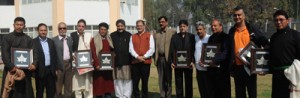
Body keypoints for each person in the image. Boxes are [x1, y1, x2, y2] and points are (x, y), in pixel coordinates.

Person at [227, 6, 269, 98]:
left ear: (244, 16)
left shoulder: (252, 28)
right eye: (235, 15)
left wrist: (262, 64)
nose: (237, 17)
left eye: (239, 15)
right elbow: (229, 49)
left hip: (250, 67)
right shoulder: (231, 31)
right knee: (239, 94)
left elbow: (265, 43)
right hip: (237, 68)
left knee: (252, 94)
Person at [0, 17, 34, 98]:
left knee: (25, 94)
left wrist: (34, 64)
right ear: (13, 25)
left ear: (24, 26)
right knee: (10, 93)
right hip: (11, 71)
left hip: (25, 72)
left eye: (21, 25)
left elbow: (34, 53)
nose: (19, 26)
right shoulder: (7, 38)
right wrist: (12, 67)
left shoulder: (28, 39)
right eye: (17, 24)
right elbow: (5, 54)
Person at [269, 10, 300, 98]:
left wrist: (293, 70)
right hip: (276, 76)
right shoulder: (273, 37)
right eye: (276, 20)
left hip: (291, 75)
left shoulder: (296, 35)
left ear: (288, 20)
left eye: (281, 19)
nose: (278, 22)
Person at [169, 20, 195, 98]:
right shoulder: (174, 37)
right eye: (181, 26)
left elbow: (194, 50)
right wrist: (172, 62)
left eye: (184, 26)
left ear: (187, 27)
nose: (182, 28)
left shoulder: (191, 37)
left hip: (188, 64)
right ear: (179, 27)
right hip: (178, 64)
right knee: (178, 83)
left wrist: (193, 61)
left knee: (189, 83)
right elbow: (171, 50)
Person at [129, 20, 155, 98]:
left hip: (145, 62)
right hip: (135, 63)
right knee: (135, 82)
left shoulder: (149, 35)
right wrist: (137, 57)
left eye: (141, 25)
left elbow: (152, 49)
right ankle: (136, 96)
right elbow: (131, 49)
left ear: (144, 26)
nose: (139, 27)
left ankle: (144, 96)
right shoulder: (132, 36)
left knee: (145, 82)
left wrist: (144, 56)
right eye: (138, 25)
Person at [206, 19, 231, 98]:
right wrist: (204, 60)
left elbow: (226, 53)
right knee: (213, 92)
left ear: (221, 26)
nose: (213, 27)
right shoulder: (210, 38)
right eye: (212, 26)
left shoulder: (226, 37)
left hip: (222, 70)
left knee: (224, 92)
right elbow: (208, 52)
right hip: (212, 70)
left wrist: (215, 60)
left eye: (215, 26)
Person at [32, 23, 57, 98]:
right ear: (38, 31)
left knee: (50, 92)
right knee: (39, 92)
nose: (43, 32)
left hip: (50, 71)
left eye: (45, 30)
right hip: (40, 71)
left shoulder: (51, 41)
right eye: (41, 30)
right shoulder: (33, 42)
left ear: (47, 31)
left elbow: (54, 56)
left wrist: (55, 69)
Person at [90, 22, 114, 98]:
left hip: (107, 67)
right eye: (101, 29)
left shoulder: (109, 39)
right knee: (99, 86)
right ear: (99, 30)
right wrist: (96, 64)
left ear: (107, 30)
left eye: (104, 29)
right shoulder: (94, 40)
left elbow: (112, 51)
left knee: (107, 86)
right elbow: (93, 52)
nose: (103, 31)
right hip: (98, 68)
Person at [70, 19, 93, 98]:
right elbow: (71, 48)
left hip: (87, 63)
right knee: (77, 83)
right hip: (77, 62)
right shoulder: (72, 35)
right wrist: (74, 56)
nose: (81, 28)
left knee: (87, 83)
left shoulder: (88, 35)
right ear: (77, 26)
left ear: (85, 27)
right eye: (79, 26)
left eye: (82, 26)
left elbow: (91, 48)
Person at [110, 19, 133, 98]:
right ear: (116, 26)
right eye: (118, 26)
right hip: (116, 62)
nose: (120, 28)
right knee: (118, 80)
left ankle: (126, 96)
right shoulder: (112, 35)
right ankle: (119, 95)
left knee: (127, 80)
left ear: (124, 26)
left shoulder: (129, 35)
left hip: (127, 61)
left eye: (121, 26)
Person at [154, 16, 175, 98]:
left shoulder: (172, 32)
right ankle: (162, 95)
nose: (161, 23)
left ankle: (168, 95)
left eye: (163, 21)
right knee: (161, 79)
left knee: (168, 79)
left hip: (168, 59)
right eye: (160, 22)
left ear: (167, 22)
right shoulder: (157, 33)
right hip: (159, 58)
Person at [53, 22, 74, 98]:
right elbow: (53, 55)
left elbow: (71, 51)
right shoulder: (54, 40)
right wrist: (54, 68)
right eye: (60, 28)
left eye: (64, 28)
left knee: (68, 85)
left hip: (68, 64)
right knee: (58, 86)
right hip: (59, 66)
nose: (62, 30)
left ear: (66, 29)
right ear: (58, 29)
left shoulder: (69, 39)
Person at [193, 21, 211, 98]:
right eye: (197, 29)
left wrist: (206, 63)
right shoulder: (195, 38)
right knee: (201, 89)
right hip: (198, 69)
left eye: (200, 29)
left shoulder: (209, 38)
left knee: (209, 89)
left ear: (204, 29)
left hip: (207, 69)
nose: (199, 31)